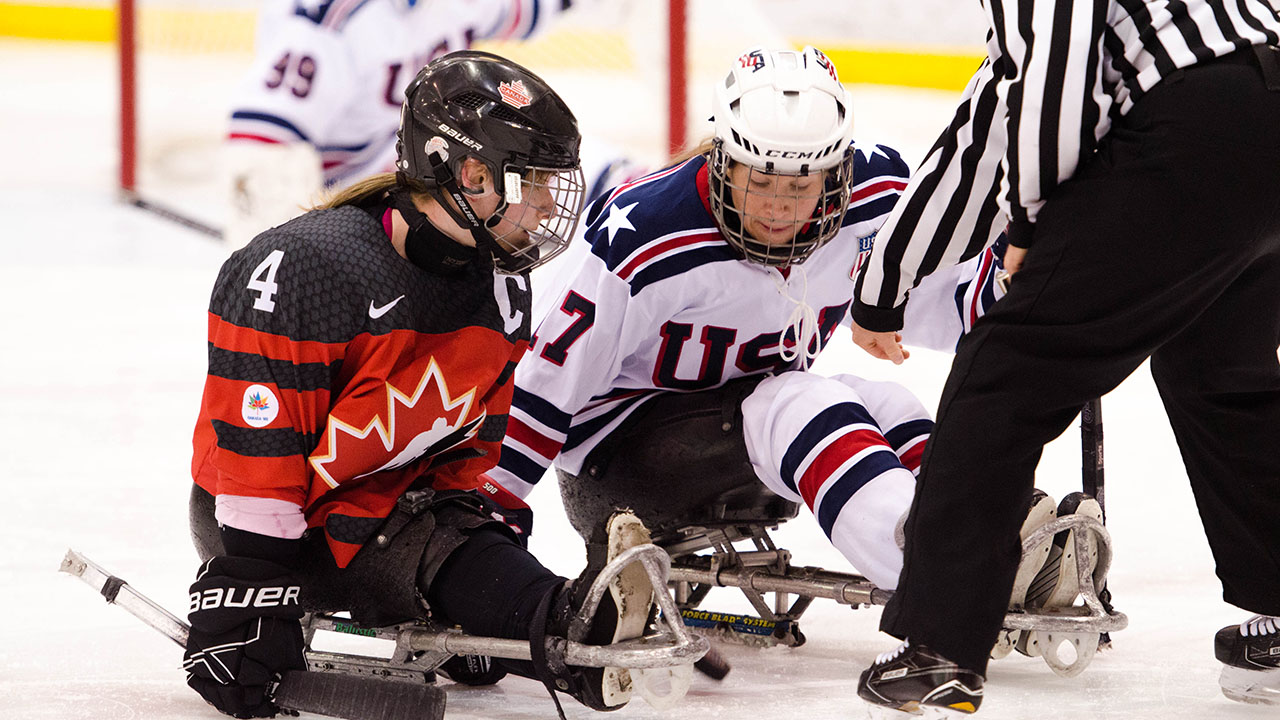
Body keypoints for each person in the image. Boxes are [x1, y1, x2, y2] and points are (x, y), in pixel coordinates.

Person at [183, 50, 659, 720]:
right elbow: (258, 445)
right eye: (534, 183)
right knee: (414, 533)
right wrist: (251, 588)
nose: (550, 205)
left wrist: (480, 592)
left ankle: (564, 636)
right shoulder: (302, 267)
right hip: (264, 520)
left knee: (440, 533)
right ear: (466, 173)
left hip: (391, 497)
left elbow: (465, 454)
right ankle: (568, 630)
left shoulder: (500, 285)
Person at [852, 0, 1280, 713]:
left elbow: (1050, 76)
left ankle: (942, 645)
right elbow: (1003, 109)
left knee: (1003, 374)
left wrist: (1029, 215)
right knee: (1217, 370)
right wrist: (890, 277)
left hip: (1195, 123)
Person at [484, 45, 1017, 600]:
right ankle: (944, 569)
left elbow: (948, 306)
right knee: (801, 401)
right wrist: (481, 525)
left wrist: (1024, 273)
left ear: (837, 175)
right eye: (758, 180)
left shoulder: (874, 199)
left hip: (737, 430)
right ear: (723, 160)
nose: (777, 207)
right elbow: (540, 390)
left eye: (800, 186)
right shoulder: (646, 234)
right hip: (617, 464)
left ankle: (989, 529)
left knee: (881, 401)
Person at [223, 0, 640, 248]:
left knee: (608, 177)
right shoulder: (333, 19)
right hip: (353, 187)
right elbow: (262, 140)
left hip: (423, 153)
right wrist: (279, 248)